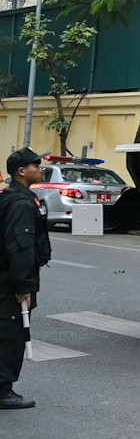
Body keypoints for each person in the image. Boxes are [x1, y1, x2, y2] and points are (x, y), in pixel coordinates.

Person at [0, 149, 50, 410]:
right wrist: (24, 285)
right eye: (35, 164)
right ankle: (3, 391)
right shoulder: (20, 203)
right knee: (11, 335)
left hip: (6, 278)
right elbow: (21, 247)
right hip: (10, 282)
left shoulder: (13, 197)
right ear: (21, 171)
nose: (39, 168)